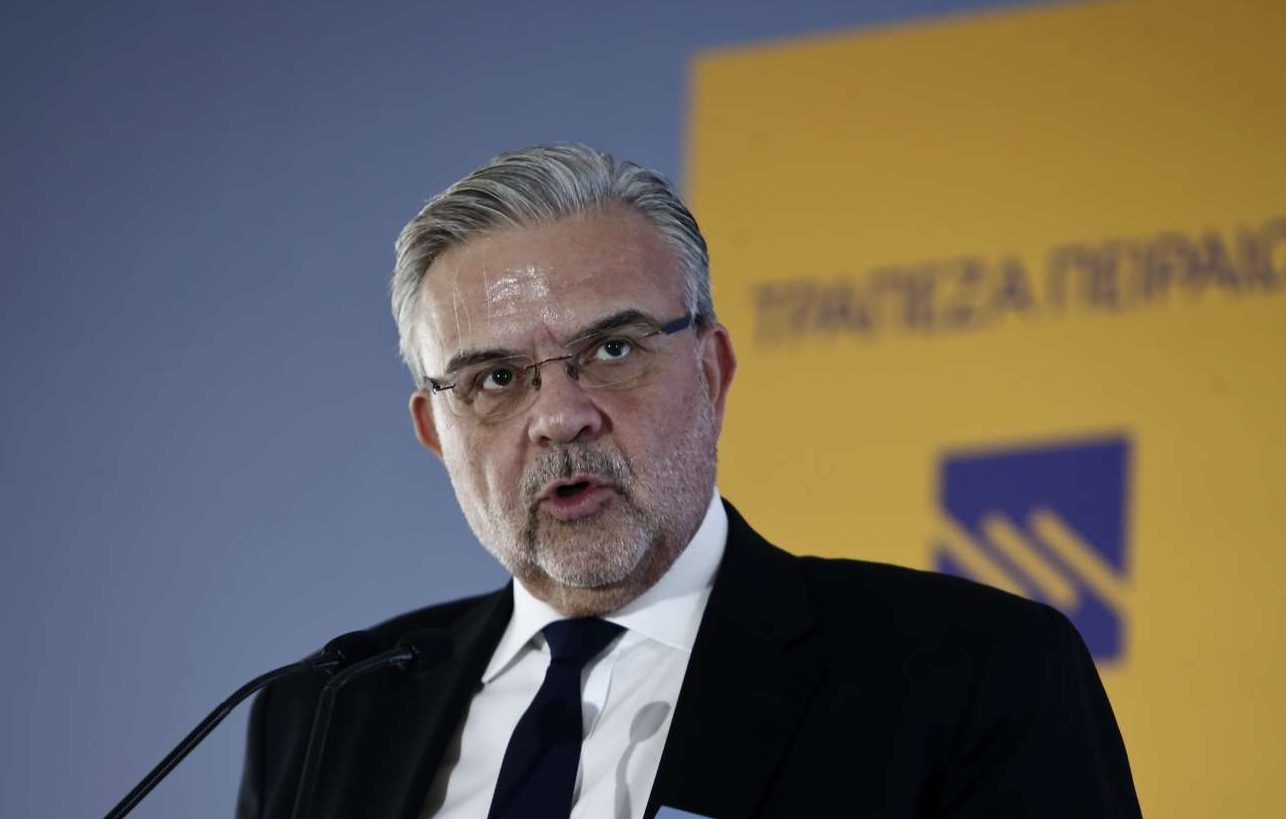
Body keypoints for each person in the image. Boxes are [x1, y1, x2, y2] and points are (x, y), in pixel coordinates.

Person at [237, 144, 1141, 818]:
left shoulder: (972, 672)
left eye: (612, 349)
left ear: (712, 372)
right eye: (497, 377)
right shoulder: (322, 713)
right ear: (437, 432)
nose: (560, 416)